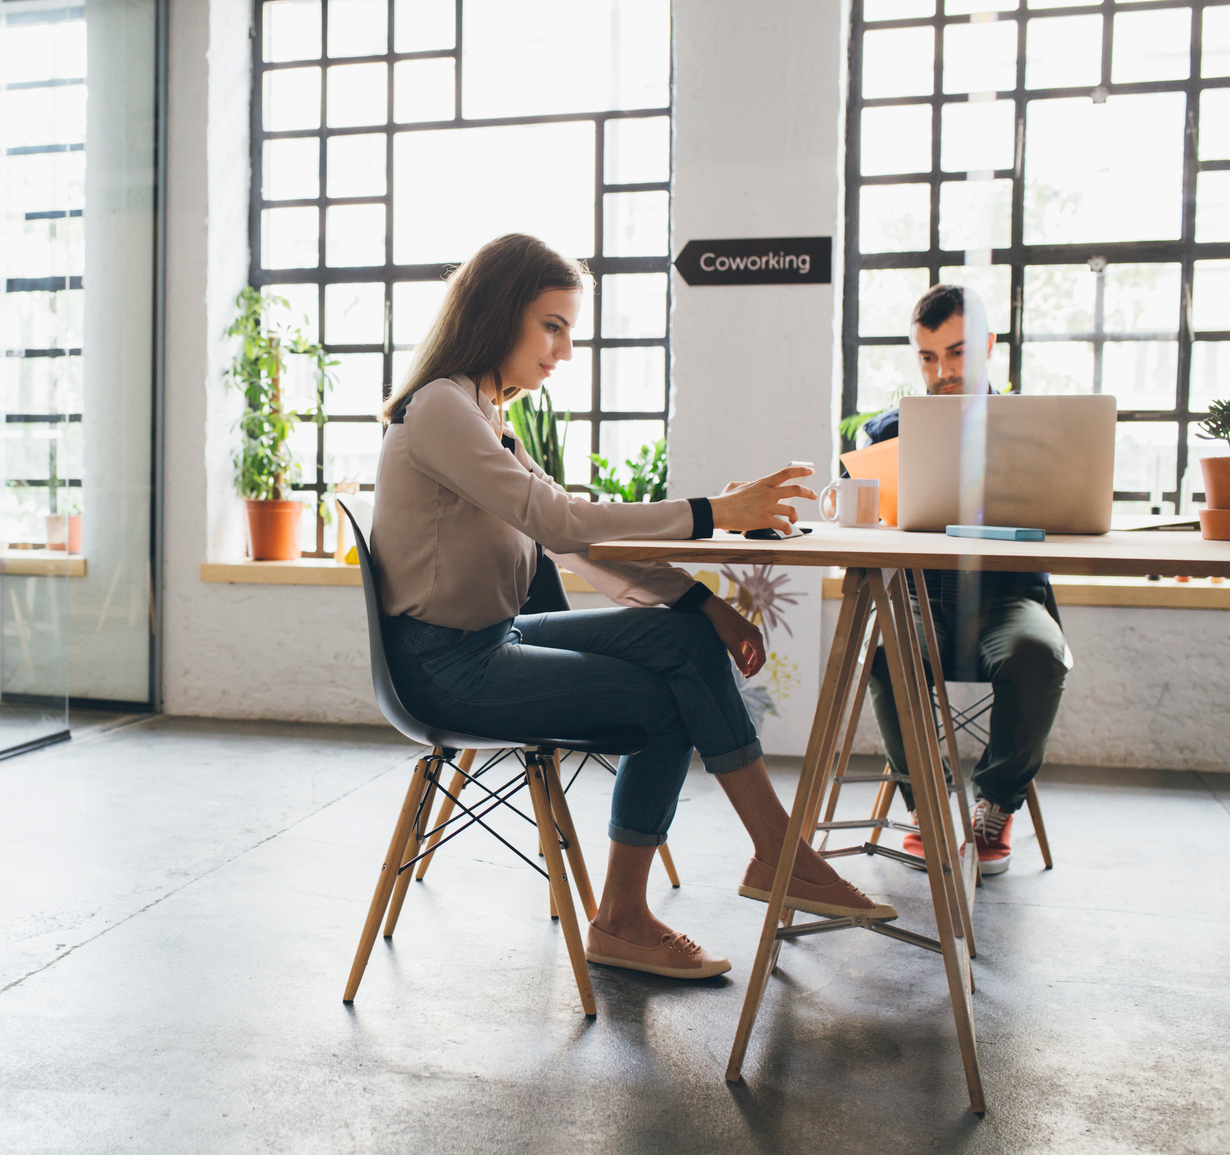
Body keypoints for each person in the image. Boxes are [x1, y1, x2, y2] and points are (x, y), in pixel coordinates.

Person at [370, 233, 895, 981]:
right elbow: (558, 521)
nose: (563, 351)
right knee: (667, 697)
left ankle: (770, 857)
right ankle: (642, 909)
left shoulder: (485, 417)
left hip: (489, 640)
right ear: (495, 311)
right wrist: (713, 510)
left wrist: (702, 604)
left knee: (681, 645)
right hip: (443, 667)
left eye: (569, 331)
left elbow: (575, 542)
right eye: (551, 325)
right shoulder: (440, 410)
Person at [861, 284, 1071, 874]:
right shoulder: (887, 433)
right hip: (924, 601)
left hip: (1009, 597)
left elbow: (1067, 517)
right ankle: (929, 806)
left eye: (956, 353)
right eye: (927, 357)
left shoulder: (1036, 429)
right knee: (883, 651)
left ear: (987, 345)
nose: (943, 371)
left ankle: (995, 807)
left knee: (1039, 653)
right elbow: (870, 530)